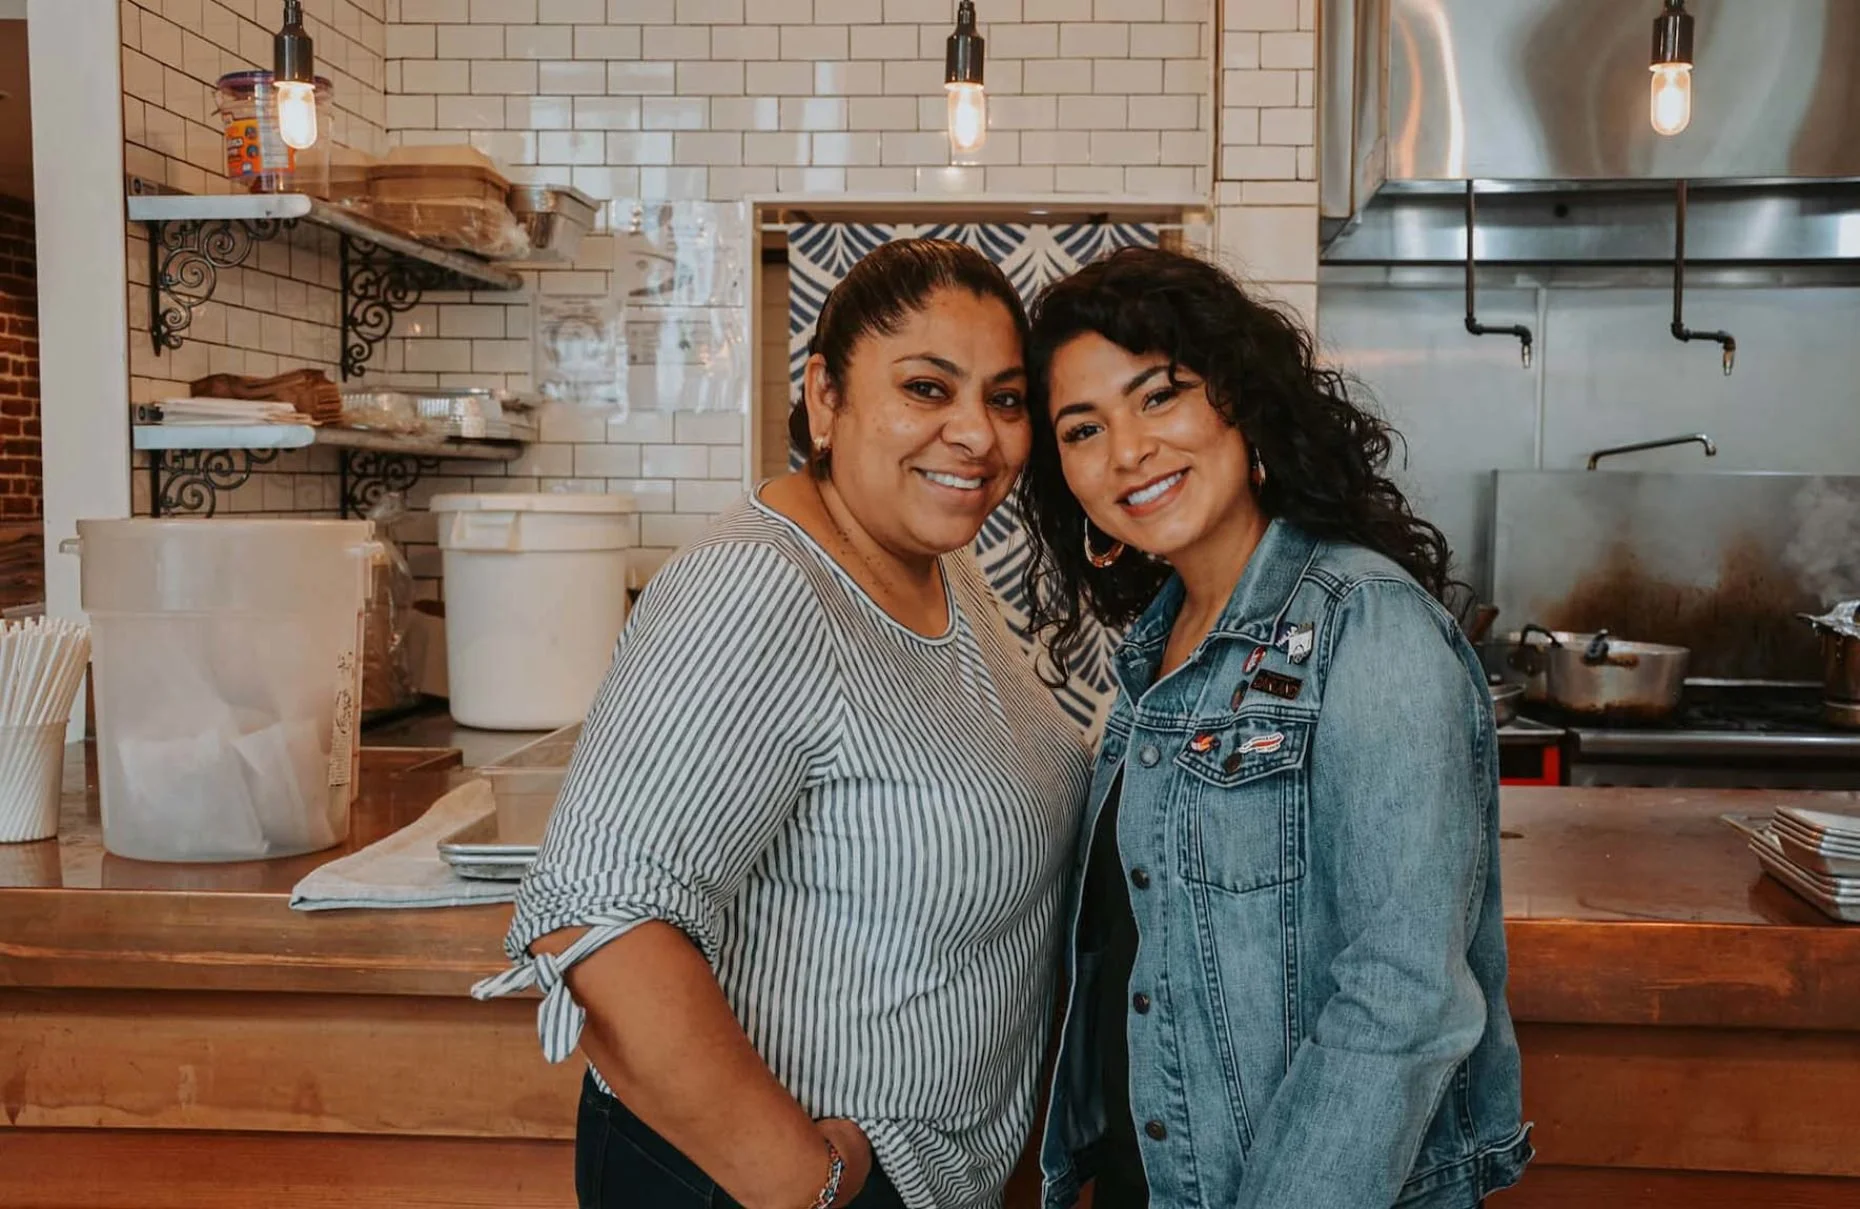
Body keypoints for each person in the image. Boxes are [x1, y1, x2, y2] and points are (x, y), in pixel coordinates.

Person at [472, 238, 1090, 1209]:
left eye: (1005, 399)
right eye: (928, 389)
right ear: (825, 396)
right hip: (775, 1184)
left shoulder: (944, 570)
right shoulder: (759, 587)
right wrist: (809, 1178)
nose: (977, 433)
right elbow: (597, 922)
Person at [1013, 246, 1531, 1209]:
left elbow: (1403, 1002)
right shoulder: (1155, 657)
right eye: (1084, 428)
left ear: (1241, 404)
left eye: (1159, 396)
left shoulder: (1365, 626)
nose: (1127, 450)